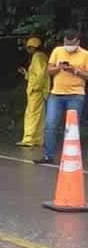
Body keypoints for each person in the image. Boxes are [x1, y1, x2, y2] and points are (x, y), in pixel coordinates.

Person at [35, 29, 88, 165]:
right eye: (66, 42)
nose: (68, 45)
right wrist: (59, 68)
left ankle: (71, 155)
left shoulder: (85, 54)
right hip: (56, 94)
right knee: (50, 124)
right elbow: (49, 71)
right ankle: (48, 156)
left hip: (76, 94)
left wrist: (74, 71)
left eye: (71, 43)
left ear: (78, 42)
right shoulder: (58, 51)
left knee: (71, 127)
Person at [16, 37, 50, 147]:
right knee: (39, 116)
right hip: (38, 91)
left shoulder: (37, 57)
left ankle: (29, 139)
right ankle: (37, 139)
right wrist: (26, 73)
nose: (27, 49)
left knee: (32, 115)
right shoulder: (41, 57)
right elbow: (35, 75)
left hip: (36, 91)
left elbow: (41, 75)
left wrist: (36, 87)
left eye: (28, 47)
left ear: (33, 47)